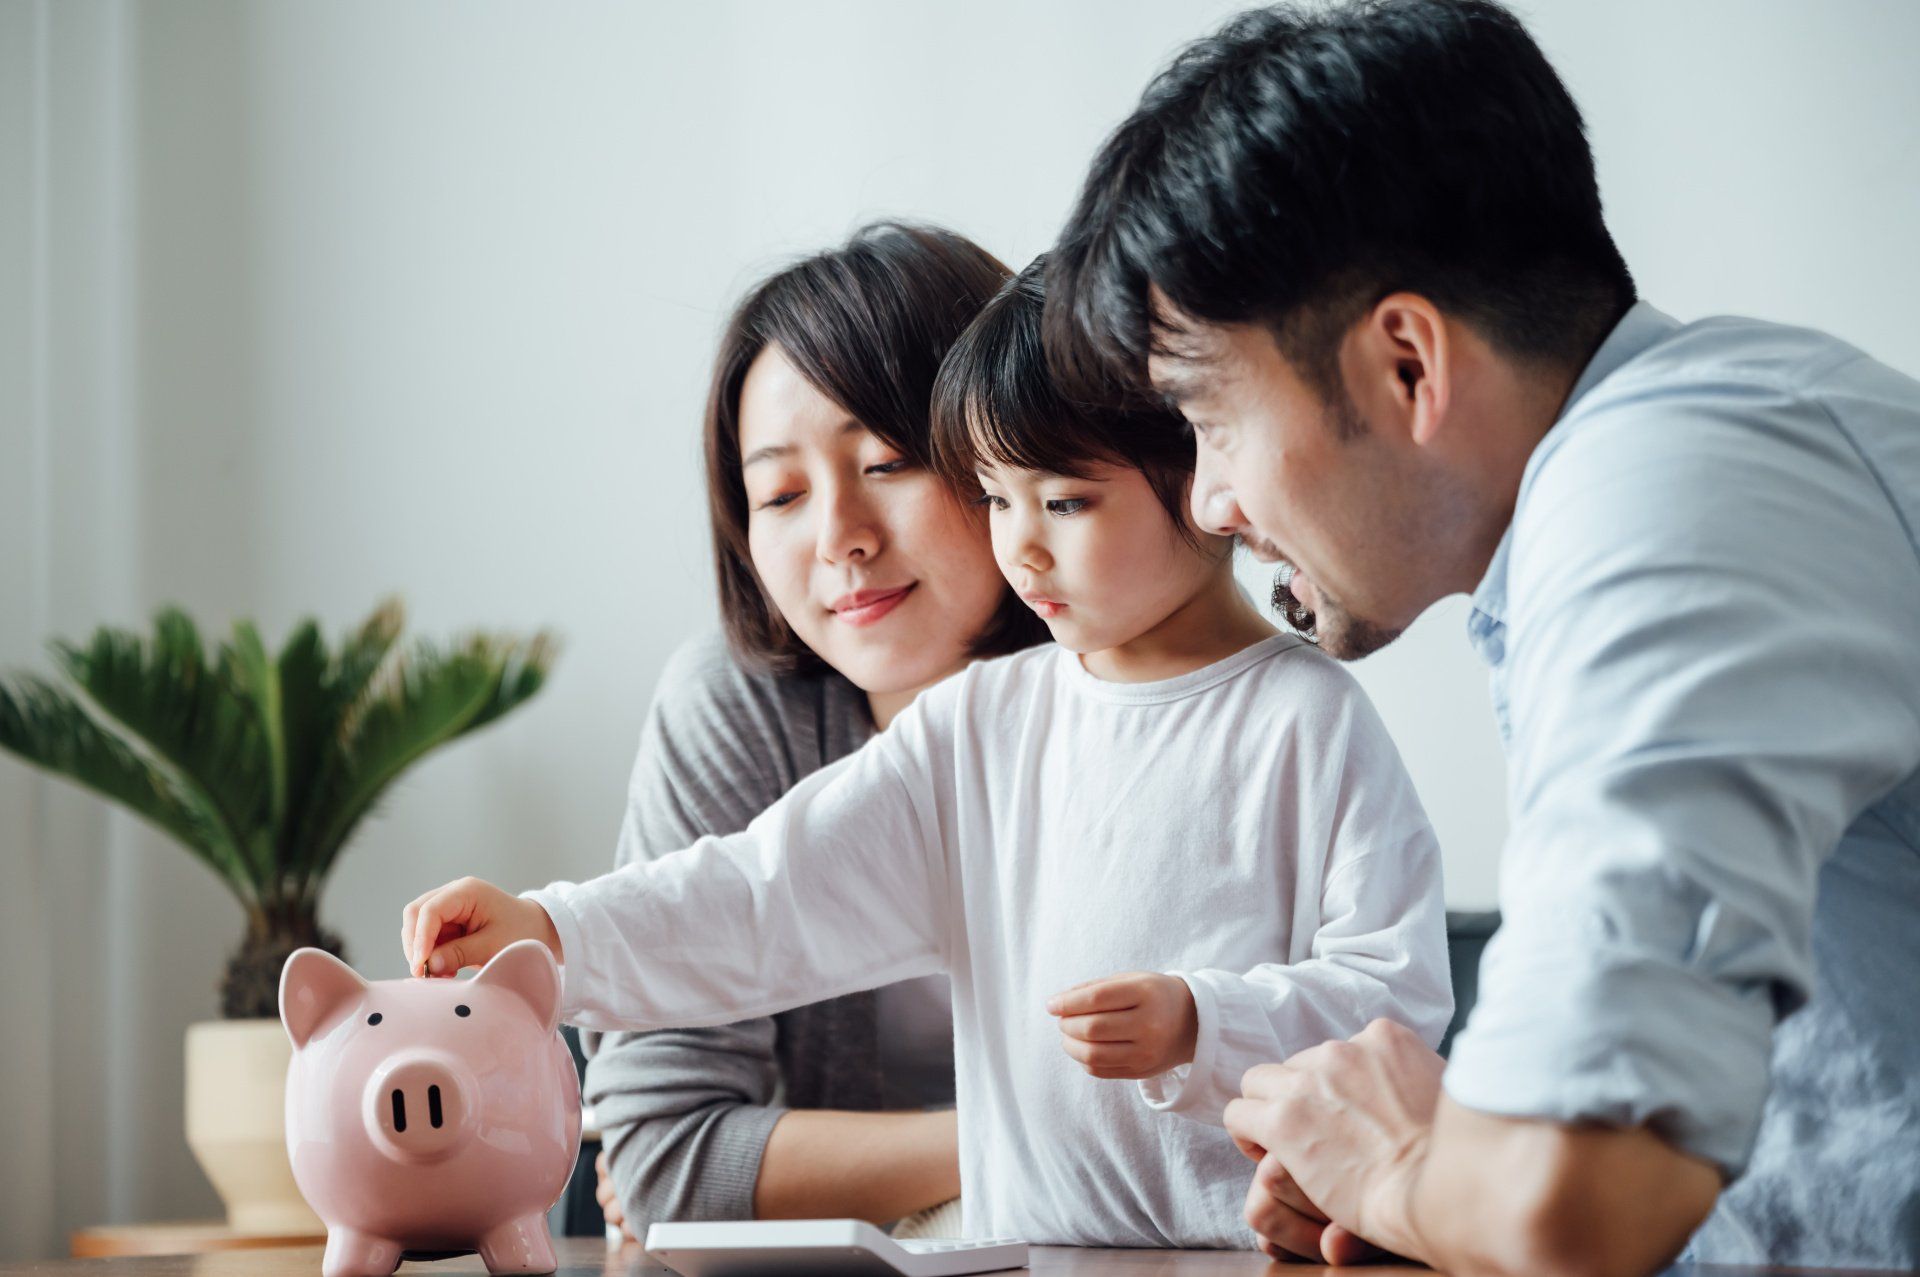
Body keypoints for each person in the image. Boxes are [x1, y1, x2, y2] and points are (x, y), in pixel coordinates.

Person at [1045, 0, 1920, 1272]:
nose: (1209, 502)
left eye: (1208, 417)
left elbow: (1573, 1199)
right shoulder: (1684, 455)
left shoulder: (1668, 490)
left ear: (1407, 363)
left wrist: (1410, 1168)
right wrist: (1436, 1186)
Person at [400, 259, 1453, 1248]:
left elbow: (1397, 1004)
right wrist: (555, 928)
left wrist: (1203, 1018)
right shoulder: (983, 726)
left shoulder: (1310, 721)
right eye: (996, 497)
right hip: (1017, 1257)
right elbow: (768, 894)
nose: (1021, 545)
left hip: (1249, 1256)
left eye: (1066, 500)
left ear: (1201, 464)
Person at [581, 221, 1048, 1238]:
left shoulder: (1145, 693)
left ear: (1010, 440)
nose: (839, 534)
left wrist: (784, 1156)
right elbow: (666, 1153)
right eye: (782, 492)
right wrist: (1038, 1136)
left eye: (886, 460)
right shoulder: (740, 706)